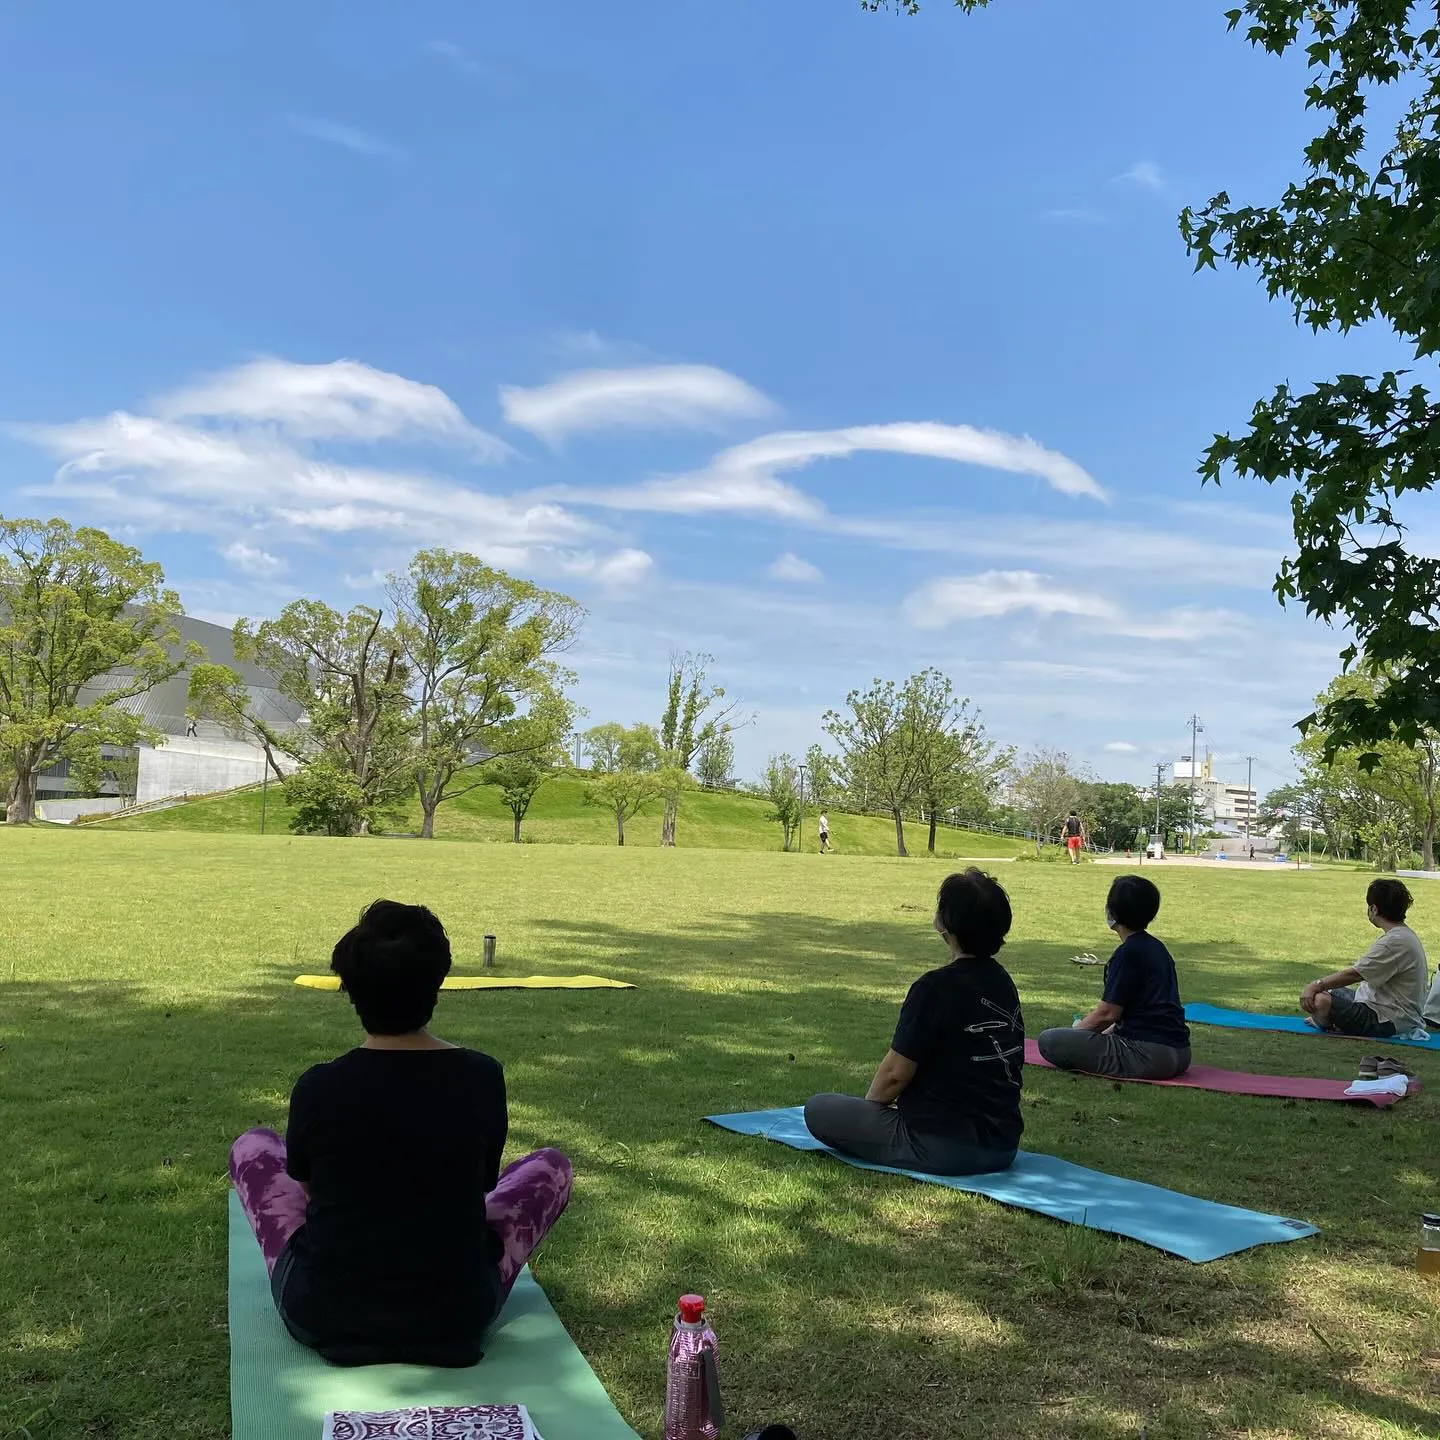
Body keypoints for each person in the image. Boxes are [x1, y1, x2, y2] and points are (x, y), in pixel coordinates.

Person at [228, 900, 572, 1367]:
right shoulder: (480, 1077)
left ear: (350, 988)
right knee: (551, 1167)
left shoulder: (319, 1087)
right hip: (456, 1311)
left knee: (254, 1147)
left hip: (324, 1309)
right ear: (438, 982)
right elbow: (485, 1185)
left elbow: (308, 1190)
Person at [804, 869, 1022, 1176]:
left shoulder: (934, 987)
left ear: (946, 923)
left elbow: (894, 1075)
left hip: (941, 1146)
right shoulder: (1003, 981)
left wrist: (871, 1113)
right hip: (1003, 1146)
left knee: (819, 1108)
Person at [1038, 874, 1191, 1079]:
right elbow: (1130, 1014)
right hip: (1181, 1053)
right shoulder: (1158, 948)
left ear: (1114, 911)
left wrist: (1078, 1031)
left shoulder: (1127, 954)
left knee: (1049, 1040)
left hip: (1149, 1055)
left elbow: (1108, 1013)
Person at [1300, 878, 1428, 1039]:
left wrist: (1314, 985)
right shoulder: (1403, 935)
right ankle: (1328, 1018)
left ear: (1374, 909)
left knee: (1319, 1000)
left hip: (1388, 1020)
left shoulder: (1395, 942)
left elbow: (1354, 974)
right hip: (1383, 1008)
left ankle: (1327, 1022)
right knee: (1330, 990)